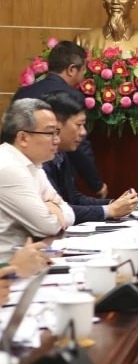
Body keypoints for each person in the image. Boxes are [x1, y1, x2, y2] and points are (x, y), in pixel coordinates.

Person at [13, 41, 107, 197]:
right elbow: (80, 146)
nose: (84, 76)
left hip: (21, 172)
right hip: (56, 175)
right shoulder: (72, 97)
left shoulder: (23, 92)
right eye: (83, 70)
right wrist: (96, 184)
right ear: (71, 69)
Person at [40, 92, 138, 224]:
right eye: (79, 124)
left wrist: (115, 204)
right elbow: (60, 211)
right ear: (56, 124)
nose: (83, 132)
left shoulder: (61, 154)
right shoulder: (40, 160)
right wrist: (109, 210)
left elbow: (74, 198)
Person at [0, 99, 75, 263]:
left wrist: (53, 206)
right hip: (7, 268)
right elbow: (48, 226)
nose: (57, 140)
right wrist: (50, 206)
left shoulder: (33, 164)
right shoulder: (8, 167)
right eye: (50, 133)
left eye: (57, 132)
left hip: (29, 260)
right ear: (23, 138)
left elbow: (70, 214)